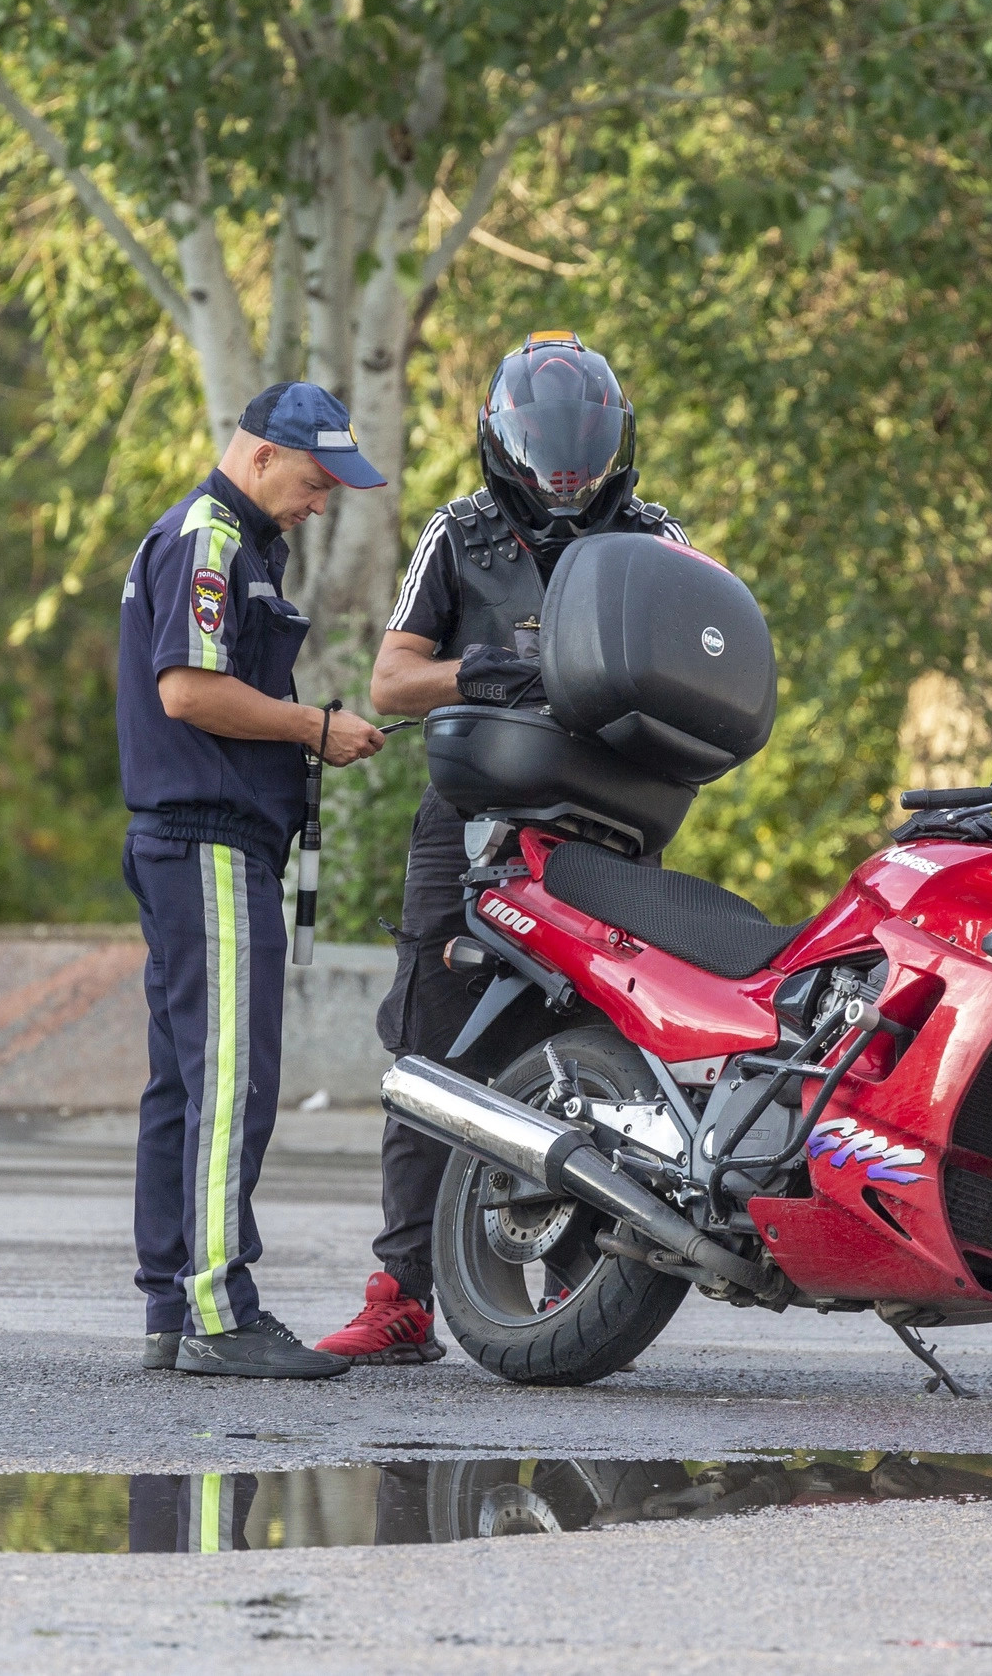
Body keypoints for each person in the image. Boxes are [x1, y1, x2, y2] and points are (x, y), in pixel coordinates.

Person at [317, 332, 691, 1365]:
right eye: (547, 450)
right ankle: (400, 1297)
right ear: (503, 439)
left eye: (584, 450)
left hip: (608, 822)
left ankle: (581, 1285)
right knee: (434, 1045)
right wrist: (482, 671)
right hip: (474, 819)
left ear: (614, 443)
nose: (566, 471)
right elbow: (392, 682)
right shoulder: (461, 531)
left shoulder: (658, 540)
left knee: (604, 1052)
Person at [121, 381, 387, 1379]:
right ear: (263, 454)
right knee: (231, 1083)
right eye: (315, 481)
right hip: (209, 844)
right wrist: (313, 726)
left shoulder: (230, 541)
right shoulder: (211, 539)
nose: (320, 503)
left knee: (183, 1087)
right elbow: (186, 689)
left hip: (188, 842)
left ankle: (169, 1307)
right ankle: (219, 1314)